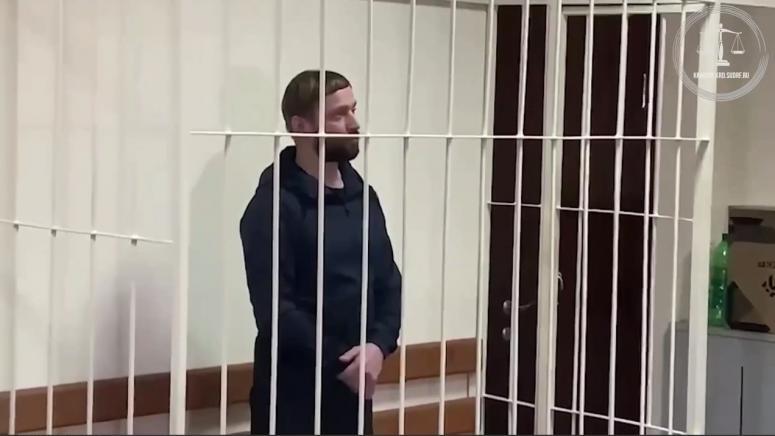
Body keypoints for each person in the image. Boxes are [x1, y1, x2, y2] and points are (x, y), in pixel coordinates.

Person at [239, 70, 402, 435]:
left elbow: (388, 280)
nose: (354, 123)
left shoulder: (364, 197)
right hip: (292, 397)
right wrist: (342, 363)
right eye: (338, 115)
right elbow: (276, 310)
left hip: (356, 390)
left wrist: (378, 345)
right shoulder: (272, 206)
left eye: (353, 110)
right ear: (300, 126)